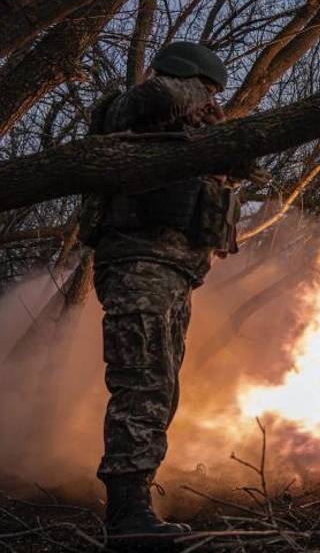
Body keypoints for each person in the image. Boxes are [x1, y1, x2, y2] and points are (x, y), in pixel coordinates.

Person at [82, 41, 241, 536]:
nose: (211, 103)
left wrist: (214, 138)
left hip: (173, 274)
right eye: (207, 91)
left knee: (161, 389)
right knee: (143, 384)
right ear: (186, 78)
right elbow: (157, 96)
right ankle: (127, 516)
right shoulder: (131, 110)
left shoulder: (186, 136)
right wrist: (193, 94)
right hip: (139, 265)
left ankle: (135, 503)